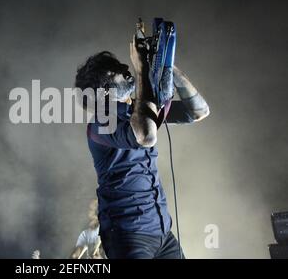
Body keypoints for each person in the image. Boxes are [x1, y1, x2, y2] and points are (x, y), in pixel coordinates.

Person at [74, 36, 210, 259]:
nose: (125, 67)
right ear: (104, 91)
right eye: (114, 70)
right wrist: (142, 71)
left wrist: (168, 67)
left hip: (161, 232)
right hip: (128, 235)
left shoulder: (137, 111)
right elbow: (145, 136)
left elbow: (198, 111)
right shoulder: (100, 124)